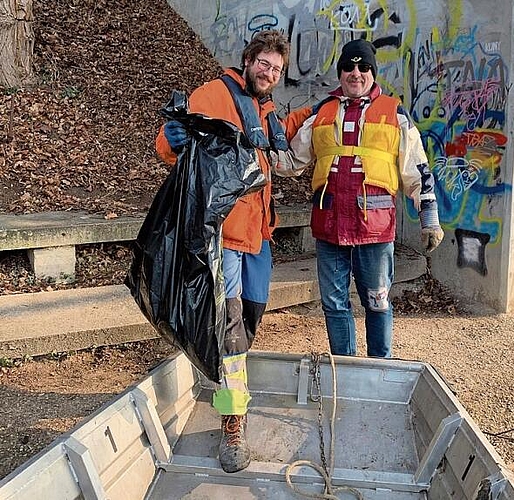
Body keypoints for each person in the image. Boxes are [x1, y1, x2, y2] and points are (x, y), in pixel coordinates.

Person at [155, 30, 309, 474]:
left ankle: (229, 386)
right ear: (248, 60)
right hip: (224, 239)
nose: (269, 72)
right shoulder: (214, 94)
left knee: (249, 324)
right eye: (264, 63)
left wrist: (319, 110)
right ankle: (232, 424)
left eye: (277, 69)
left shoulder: (264, 110)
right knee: (230, 334)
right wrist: (173, 137)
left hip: (258, 238)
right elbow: (169, 147)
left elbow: (278, 143)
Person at [279, 39, 444, 359]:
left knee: (377, 300)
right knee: (334, 303)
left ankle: (379, 369)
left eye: (364, 67)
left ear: (373, 72)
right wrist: (259, 148)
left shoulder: (394, 113)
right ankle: (345, 366)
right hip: (329, 226)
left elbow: (418, 169)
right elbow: (291, 162)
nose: (356, 73)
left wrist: (429, 218)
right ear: (340, 72)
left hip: (374, 229)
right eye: (349, 67)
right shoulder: (321, 113)